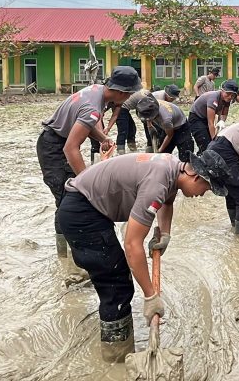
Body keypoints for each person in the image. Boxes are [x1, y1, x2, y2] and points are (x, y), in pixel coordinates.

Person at [57, 149, 228, 362]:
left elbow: (167, 201)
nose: (203, 194)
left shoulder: (172, 168)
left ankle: (117, 347)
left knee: (115, 274)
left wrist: (164, 234)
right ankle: (115, 356)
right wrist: (150, 296)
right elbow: (132, 245)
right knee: (116, 285)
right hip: (81, 212)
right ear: (196, 176)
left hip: (87, 207)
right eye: (207, 187)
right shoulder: (157, 182)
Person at [37, 66, 141, 257]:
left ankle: (67, 254)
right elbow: (70, 148)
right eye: (129, 95)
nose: (128, 99)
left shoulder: (96, 91)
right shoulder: (93, 108)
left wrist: (102, 138)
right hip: (53, 148)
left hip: (56, 141)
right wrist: (88, 181)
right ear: (120, 92)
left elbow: (83, 124)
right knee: (66, 200)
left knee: (71, 197)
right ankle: (64, 257)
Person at [135, 95, 194, 161]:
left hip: (181, 128)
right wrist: (150, 126)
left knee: (186, 157)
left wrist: (159, 151)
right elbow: (147, 118)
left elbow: (169, 136)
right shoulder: (151, 104)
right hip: (167, 127)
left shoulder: (165, 119)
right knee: (162, 158)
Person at [188, 80, 239, 153]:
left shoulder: (226, 100)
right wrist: (214, 141)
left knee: (212, 142)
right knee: (206, 143)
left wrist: (221, 121)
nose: (230, 97)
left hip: (205, 118)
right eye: (228, 93)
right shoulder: (213, 98)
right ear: (222, 90)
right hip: (196, 118)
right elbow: (211, 123)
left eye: (233, 95)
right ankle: (202, 158)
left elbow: (223, 114)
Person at [107, 88, 152, 154]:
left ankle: (131, 147)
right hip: (121, 107)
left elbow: (140, 113)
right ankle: (120, 150)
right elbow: (141, 113)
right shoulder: (146, 100)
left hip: (124, 106)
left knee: (132, 127)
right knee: (123, 129)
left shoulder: (145, 96)